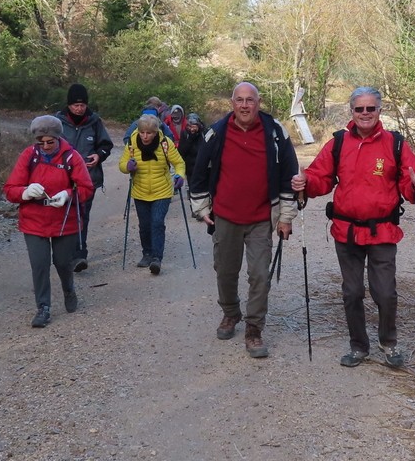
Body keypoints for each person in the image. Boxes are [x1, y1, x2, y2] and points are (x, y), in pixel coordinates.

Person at [291, 86, 415, 369]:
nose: (365, 114)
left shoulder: (395, 143)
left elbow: (411, 181)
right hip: (347, 232)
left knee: (385, 293)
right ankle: (358, 347)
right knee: (352, 292)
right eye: (359, 109)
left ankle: (388, 343)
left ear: (380, 110)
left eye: (371, 108)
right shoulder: (338, 143)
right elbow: (321, 178)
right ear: (351, 111)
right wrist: (305, 183)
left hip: (382, 231)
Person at [189, 82, 299, 358]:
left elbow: (289, 174)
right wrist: (202, 208)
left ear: (258, 102)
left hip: (262, 217)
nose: (245, 105)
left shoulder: (275, 133)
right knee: (225, 271)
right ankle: (230, 313)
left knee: (260, 275)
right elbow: (199, 171)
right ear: (232, 103)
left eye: (250, 100)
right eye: (240, 100)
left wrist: (285, 217)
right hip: (225, 216)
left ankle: (253, 329)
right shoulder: (217, 133)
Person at [3, 116, 94, 328]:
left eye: (49, 142)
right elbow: (10, 189)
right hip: (34, 220)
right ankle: (43, 307)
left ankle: (68, 289)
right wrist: (25, 192)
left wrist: (68, 194)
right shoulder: (29, 156)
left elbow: (86, 188)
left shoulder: (72, 157)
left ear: (58, 137)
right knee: (40, 265)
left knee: (62, 263)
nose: (45, 146)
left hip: (64, 220)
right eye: (40, 142)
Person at [55, 83, 114, 272]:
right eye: (75, 105)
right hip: (61, 178)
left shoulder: (94, 121)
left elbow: (106, 145)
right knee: (64, 215)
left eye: (82, 105)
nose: (79, 109)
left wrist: (99, 155)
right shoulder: (58, 122)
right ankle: (63, 253)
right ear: (69, 105)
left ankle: (80, 254)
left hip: (88, 179)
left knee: (82, 216)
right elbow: (47, 147)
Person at [119, 113, 186, 274]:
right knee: (144, 226)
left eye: (149, 133)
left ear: (156, 132)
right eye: (142, 132)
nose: (145, 136)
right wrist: (128, 166)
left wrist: (179, 176)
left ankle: (157, 258)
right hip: (140, 191)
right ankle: (147, 253)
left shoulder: (165, 143)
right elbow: (121, 165)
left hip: (162, 191)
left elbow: (179, 163)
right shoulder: (132, 144)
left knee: (156, 223)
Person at [177, 112, 206, 180]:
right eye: (189, 126)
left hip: (203, 167)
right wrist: (190, 138)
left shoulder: (204, 133)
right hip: (190, 168)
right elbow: (181, 151)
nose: (191, 129)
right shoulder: (185, 134)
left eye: (193, 126)